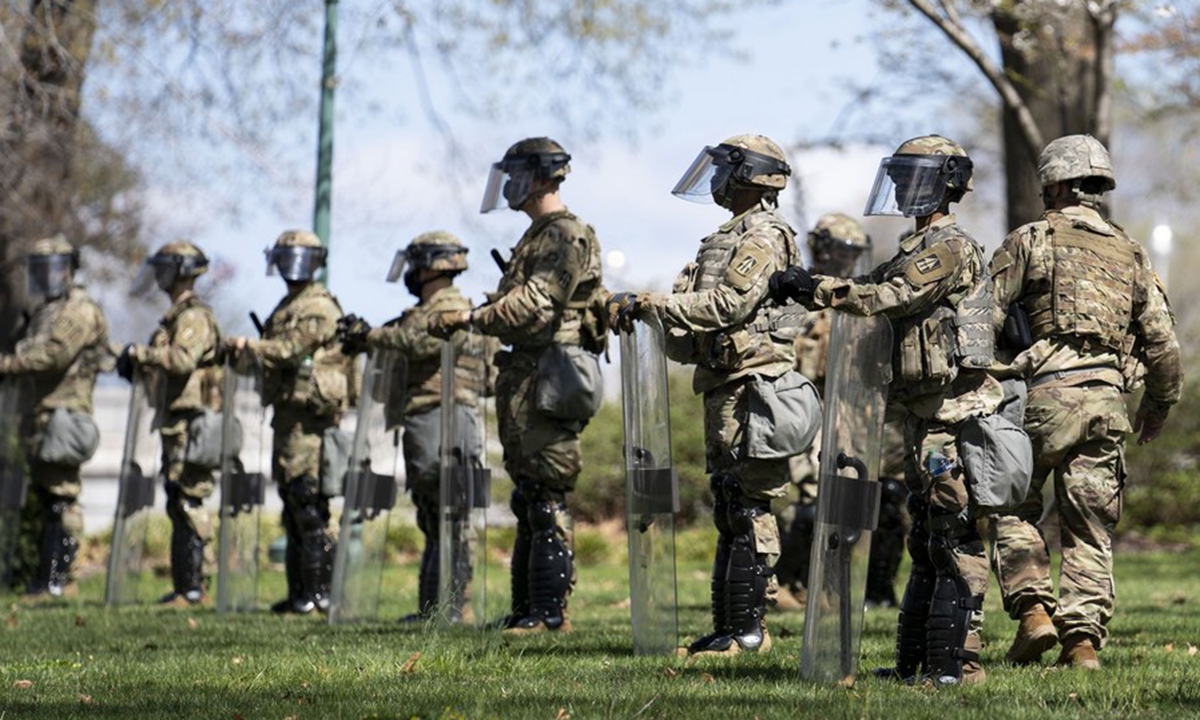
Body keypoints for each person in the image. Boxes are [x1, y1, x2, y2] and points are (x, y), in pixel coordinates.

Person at [771, 134, 999, 684]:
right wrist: (813, 289)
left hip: (951, 411)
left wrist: (819, 288)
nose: (900, 186)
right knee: (925, 535)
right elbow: (868, 286)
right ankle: (916, 663)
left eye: (912, 176)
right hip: (921, 412)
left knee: (953, 532)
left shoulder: (949, 246)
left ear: (943, 184)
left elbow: (886, 297)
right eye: (897, 175)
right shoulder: (911, 247)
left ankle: (956, 665)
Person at [611, 134, 817, 657]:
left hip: (754, 386)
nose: (716, 180)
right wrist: (648, 312)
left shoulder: (764, 234)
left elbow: (729, 303)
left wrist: (653, 301)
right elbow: (695, 313)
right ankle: (730, 627)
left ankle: (750, 631)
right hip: (726, 382)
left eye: (725, 169)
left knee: (748, 506)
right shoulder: (725, 236)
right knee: (729, 503)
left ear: (750, 175)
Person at [987, 134, 1182, 670]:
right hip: (1106, 407)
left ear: (1057, 184)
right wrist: (1157, 407)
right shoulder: (1132, 253)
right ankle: (1082, 645)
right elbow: (1164, 345)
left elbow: (982, 319)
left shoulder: (1029, 240)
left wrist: (981, 383)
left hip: (1041, 402)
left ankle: (1033, 612)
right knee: (1089, 527)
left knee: (1011, 504)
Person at [430, 137, 607, 634]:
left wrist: (470, 316)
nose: (509, 185)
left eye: (516, 175)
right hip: (530, 376)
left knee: (546, 493)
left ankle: (549, 613)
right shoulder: (540, 234)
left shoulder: (563, 234)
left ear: (542, 176)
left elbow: (536, 307)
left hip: (550, 376)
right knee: (530, 493)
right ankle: (530, 608)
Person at [339, 231, 490, 622]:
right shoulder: (430, 307)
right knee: (433, 512)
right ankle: (434, 608)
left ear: (431, 265)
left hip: (445, 416)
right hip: (428, 418)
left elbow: (418, 341)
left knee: (451, 511)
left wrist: (368, 335)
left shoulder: (451, 306)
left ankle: (452, 607)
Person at [772, 213, 907, 611]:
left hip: (857, 408)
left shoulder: (861, 296)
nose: (847, 261)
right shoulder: (797, 296)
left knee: (883, 497)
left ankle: (872, 591)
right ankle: (789, 584)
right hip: (809, 404)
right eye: (840, 252)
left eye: (853, 254)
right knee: (815, 499)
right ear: (822, 248)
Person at [225, 229, 355, 615]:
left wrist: (249, 346)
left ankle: (318, 595)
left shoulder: (318, 306)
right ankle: (301, 593)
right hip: (286, 418)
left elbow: (289, 350)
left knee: (309, 505)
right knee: (292, 506)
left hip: (309, 423)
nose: (288, 266)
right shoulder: (288, 305)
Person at [0, 235, 111, 597]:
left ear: (68, 270)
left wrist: (10, 364)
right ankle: (47, 580)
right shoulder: (46, 310)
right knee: (50, 497)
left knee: (62, 497)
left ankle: (61, 579)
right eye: (40, 269)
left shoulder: (78, 309)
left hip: (65, 415)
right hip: (41, 415)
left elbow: (55, 355)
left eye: (52, 268)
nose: (45, 276)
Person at [118, 241, 223, 606]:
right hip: (174, 421)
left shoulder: (193, 317)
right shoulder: (176, 317)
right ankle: (185, 587)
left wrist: (139, 353)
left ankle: (195, 588)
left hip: (192, 423)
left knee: (190, 499)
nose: (158, 275)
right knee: (178, 499)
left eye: (165, 268)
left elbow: (180, 360)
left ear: (179, 270)